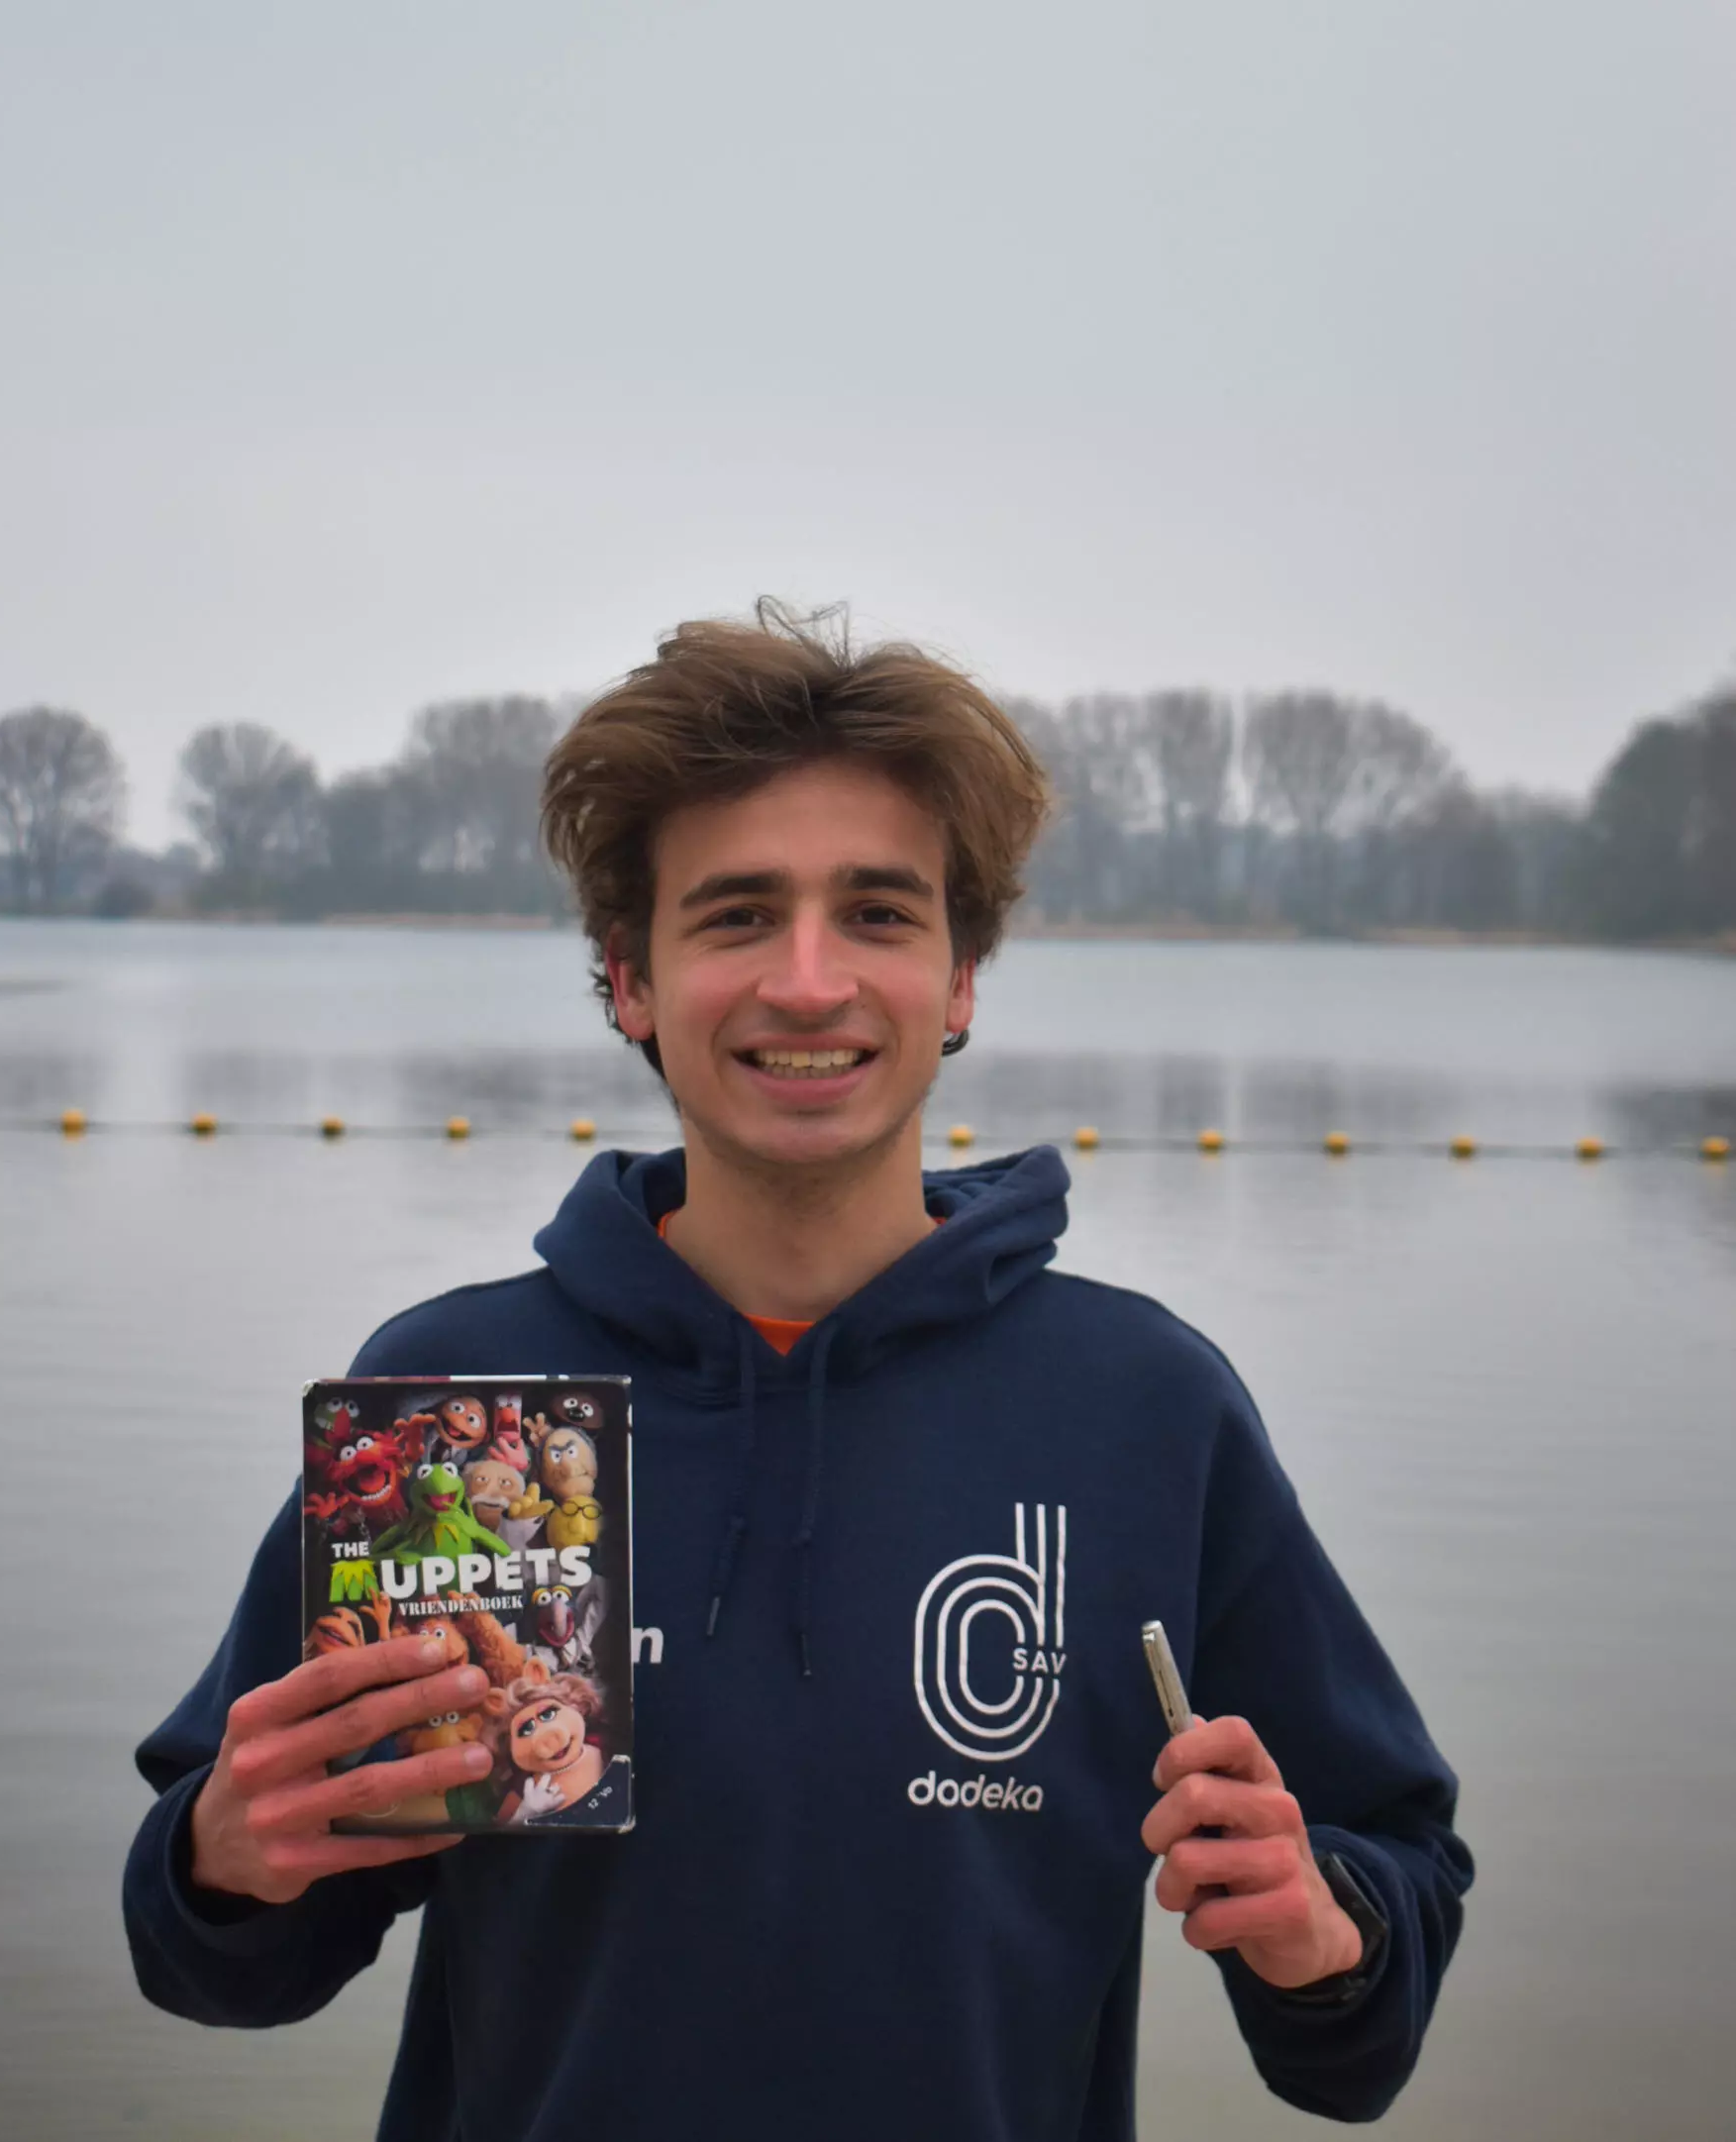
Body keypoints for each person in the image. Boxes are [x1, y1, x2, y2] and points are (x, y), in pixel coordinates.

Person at [125, 601, 1472, 2140]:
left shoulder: (1142, 1408)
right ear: (631, 980)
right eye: (738, 915)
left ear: (961, 979)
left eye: (879, 913)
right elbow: (221, 1963)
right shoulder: (458, 1401)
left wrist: (1325, 1931)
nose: (811, 981)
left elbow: (1371, 1989)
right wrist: (220, 1857)